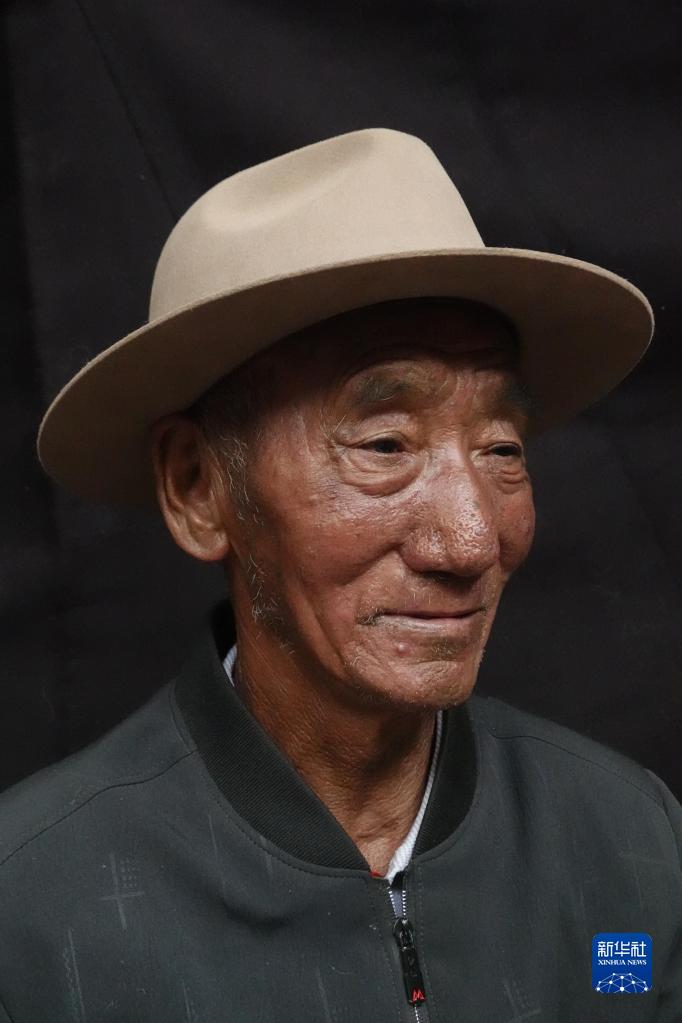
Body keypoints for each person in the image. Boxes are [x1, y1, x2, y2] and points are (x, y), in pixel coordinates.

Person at [0, 128, 679, 1020]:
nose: (473, 539)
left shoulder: (628, 843)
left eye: (502, 448)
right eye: (386, 444)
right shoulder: (33, 912)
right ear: (200, 487)